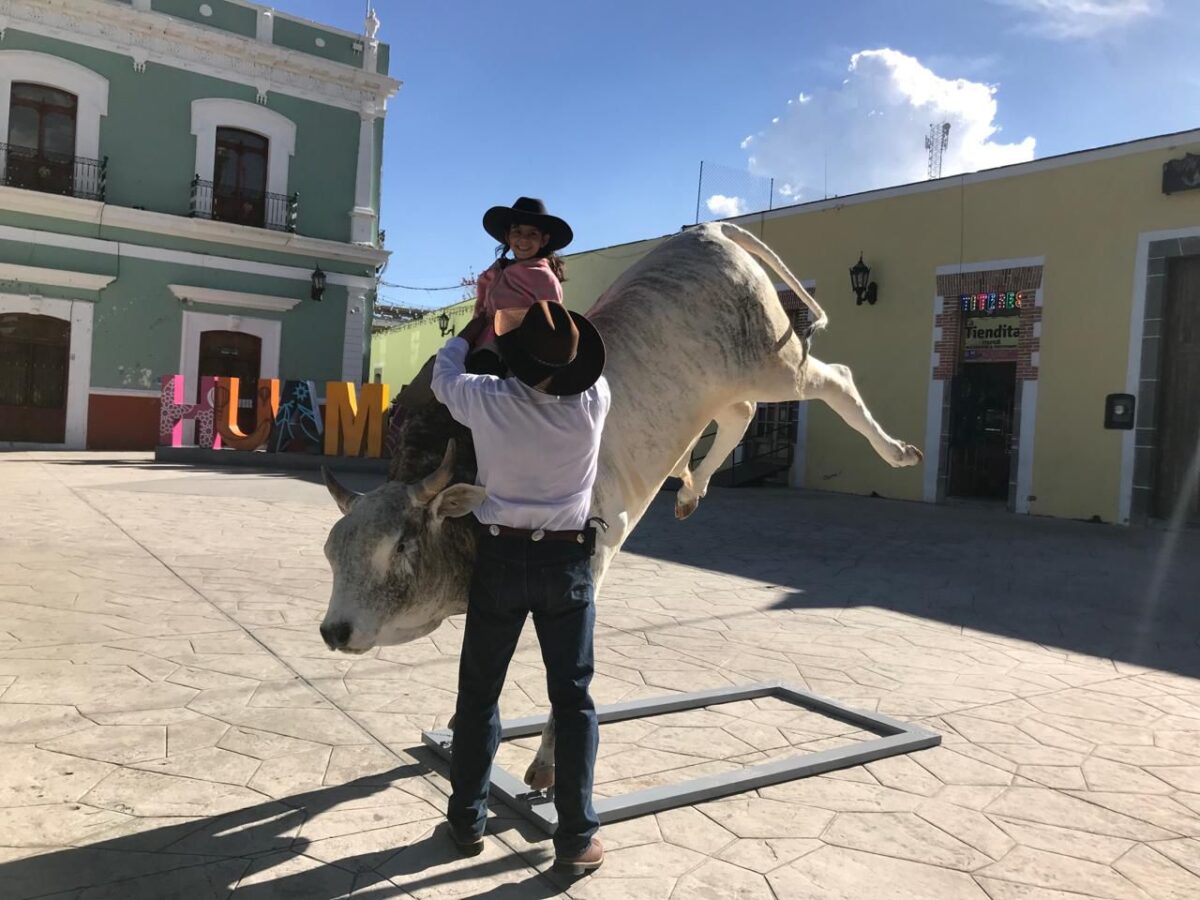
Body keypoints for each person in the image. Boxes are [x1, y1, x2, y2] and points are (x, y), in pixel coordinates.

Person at [431, 298, 609, 876]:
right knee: (574, 703)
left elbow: (443, 378)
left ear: (514, 357)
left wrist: (470, 331)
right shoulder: (594, 402)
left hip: (502, 559)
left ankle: (466, 820)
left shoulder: (487, 398)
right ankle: (577, 837)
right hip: (566, 565)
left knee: (480, 693)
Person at [394, 197, 572, 409]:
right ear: (507, 236)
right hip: (481, 337)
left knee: (481, 382)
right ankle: (403, 413)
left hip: (512, 346)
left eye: (532, 233)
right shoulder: (498, 270)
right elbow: (483, 305)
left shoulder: (544, 278)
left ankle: (478, 428)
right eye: (517, 231)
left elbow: (550, 319)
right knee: (438, 367)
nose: (523, 239)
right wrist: (475, 327)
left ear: (543, 240)